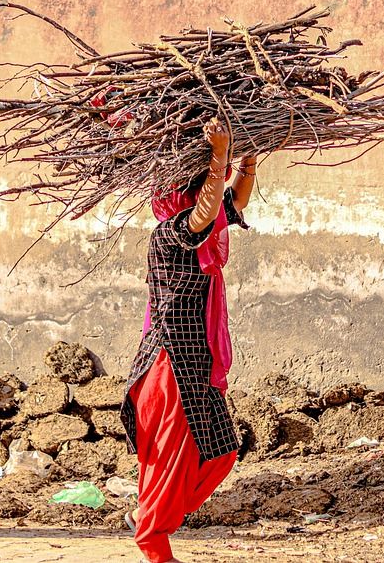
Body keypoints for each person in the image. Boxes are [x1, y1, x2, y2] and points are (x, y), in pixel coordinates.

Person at [120, 118, 258, 563]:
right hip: (169, 364)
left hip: (193, 363)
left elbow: (230, 202)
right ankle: (154, 539)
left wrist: (248, 157)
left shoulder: (206, 224)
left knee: (221, 449)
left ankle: (153, 518)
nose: (213, 204)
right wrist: (220, 155)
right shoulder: (171, 233)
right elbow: (203, 215)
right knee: (169, 458)